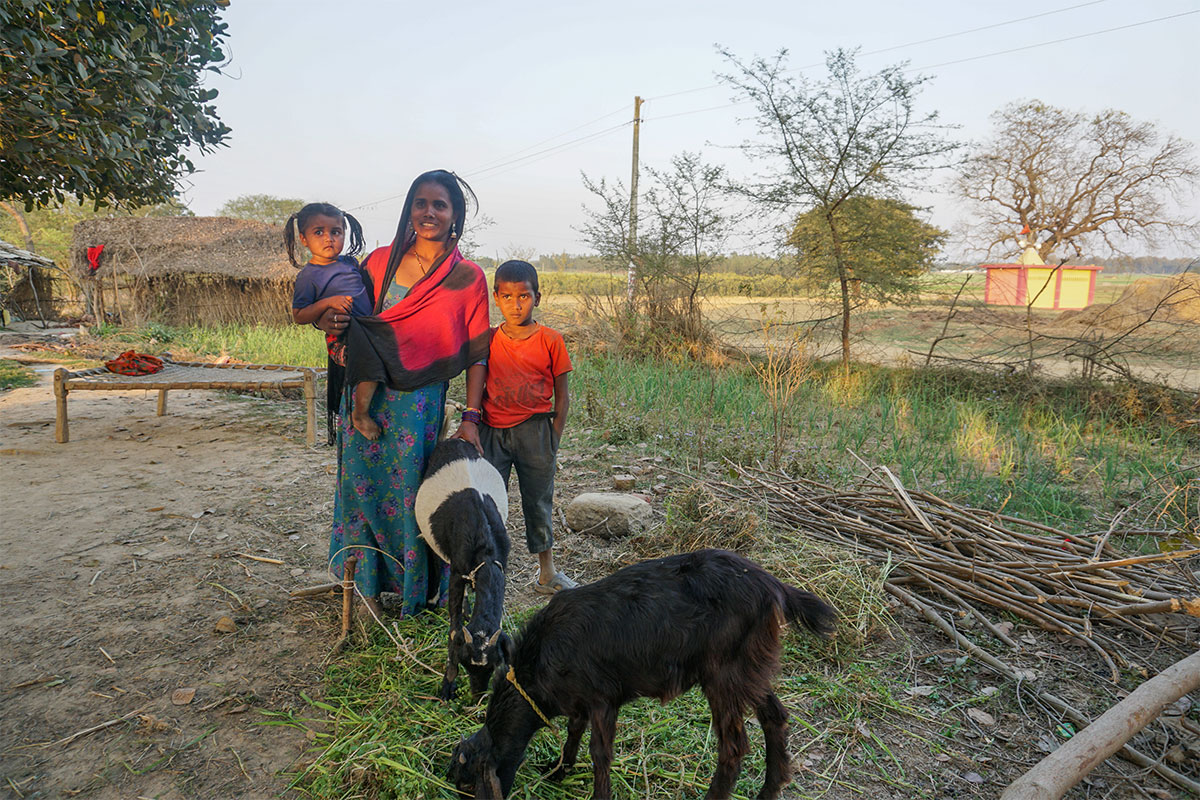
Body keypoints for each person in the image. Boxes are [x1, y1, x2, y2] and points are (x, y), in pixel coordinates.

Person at [315, 170, 491, 619]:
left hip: (419, 404)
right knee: (359, 490)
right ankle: (366, 593)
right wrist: (330, 328)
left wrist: (471, 417)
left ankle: (413, 593)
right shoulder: (379, 263)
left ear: (455, 216)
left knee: (412, 497)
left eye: (440, 204)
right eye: (420, 202)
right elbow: (354, 321)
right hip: (366, 396)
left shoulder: (467, 278)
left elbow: (476, 353)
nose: (429, 212)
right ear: (409, 209)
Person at [478, 260, 577, 594]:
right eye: (507, 296)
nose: (515, 304)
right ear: (496, 297)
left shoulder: (551, 340)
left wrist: (554, 436)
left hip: (536, 432)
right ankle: (485, 572)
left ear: (538, 297)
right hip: (493, 431)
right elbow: (476, 384)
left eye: (524, 296)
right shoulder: (488, 340)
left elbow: (562, 396)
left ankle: (546, 573)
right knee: (489, 501)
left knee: (538, 501)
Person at [285, 202, 382, 441]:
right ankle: (359, 414)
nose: (328, 238)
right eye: (319, 232)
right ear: (304, 239)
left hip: (368, 328)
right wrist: (328, 303)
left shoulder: (349, 263)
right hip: (343, 335)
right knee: (370, 364)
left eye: (336, 232)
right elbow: (299, 315)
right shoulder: (308, 276)